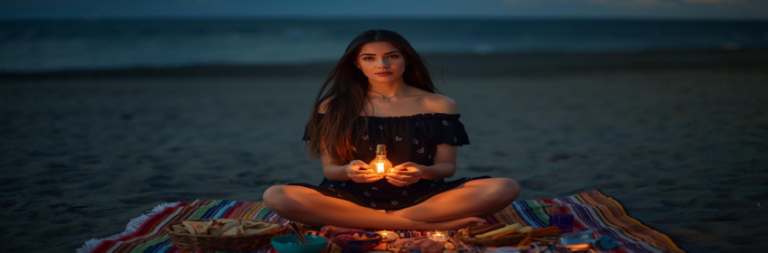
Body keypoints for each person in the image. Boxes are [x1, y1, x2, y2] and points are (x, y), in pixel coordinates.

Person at [263, 29, 520, 233]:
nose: (382, 64)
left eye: (392, 56)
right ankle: (425, 225)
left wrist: (422, 171)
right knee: (276, 195)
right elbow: (330, 170)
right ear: (357, 64)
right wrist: (349, 172)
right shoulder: (333, 106)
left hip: (423, 198)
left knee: (505, 188)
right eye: (369, 58)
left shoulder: (438, 104)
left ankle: (366, 222)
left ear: (405, 59)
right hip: (349, 198)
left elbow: (446, 168)